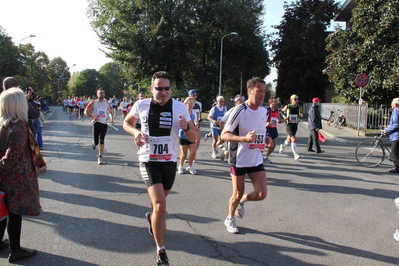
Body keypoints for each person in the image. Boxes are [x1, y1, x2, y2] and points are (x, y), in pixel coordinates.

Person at [123, 71, 196, 266]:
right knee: (160, 205)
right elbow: (127, 123)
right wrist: (136, 132)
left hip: (169, 161)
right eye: (159, 88)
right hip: (148, 159)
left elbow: (194, 138)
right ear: (151, 88)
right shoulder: (141, 105)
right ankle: (161, 251)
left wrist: (186, 128)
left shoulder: (180, 107)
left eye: (167, 88)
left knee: (159, 205)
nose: (163, 92)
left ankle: (151, 217)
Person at [221, 77, 268, 234]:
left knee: (261, 194)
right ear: (250, 91)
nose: (262, 94)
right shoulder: (239, 110)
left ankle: (242, 201)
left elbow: (259, 132)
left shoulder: (264, 110)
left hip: (255, 158)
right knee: (237, 192)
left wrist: (266, 139)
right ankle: (230, 218)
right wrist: (244, 139)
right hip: (239, 158)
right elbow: (224, 135)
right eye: (258, 90)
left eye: (264, 91)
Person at [0, 88, 41, 263]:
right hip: (16, 177)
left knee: (3, 211)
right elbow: (11, 157)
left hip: (6, 177)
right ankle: (15, 250)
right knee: (15, 214)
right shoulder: (19, 126)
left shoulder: (4, 124)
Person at [84, 88, 114, 165]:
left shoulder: (106, 103)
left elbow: (110, 112)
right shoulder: (93, 102)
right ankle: (94, 142)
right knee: (97, 142)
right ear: (97, 94)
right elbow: (85, 112)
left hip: (104, 123)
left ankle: (100, 157)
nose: (102, 94)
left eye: (103, 93)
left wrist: (112, 120)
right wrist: (92, 117)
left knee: (102, 140)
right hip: (96, 123)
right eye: (100, 93)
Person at [219, 94, 246, 161]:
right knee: (231, 155)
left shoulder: (246, 110)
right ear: (235, 102)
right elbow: (221, 122)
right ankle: (225, 151)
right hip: (233, 136)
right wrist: (225, 133)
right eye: (240, 101)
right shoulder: (232, 111)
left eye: (243, 101)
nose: (243, 103)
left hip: (242, 136)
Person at [279, 94, 304, 160]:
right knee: (293, 139)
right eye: (295, 99)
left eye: (297, 99)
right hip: (288, 125)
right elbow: (281, 111)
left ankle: (283, 146)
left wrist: (301, 114)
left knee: (289, 139)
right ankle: (295, 154)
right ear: (291, 100)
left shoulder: (299, 106)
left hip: (295, 125)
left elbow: (301, 112)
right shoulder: (288, 106)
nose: (296, 101)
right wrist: (284, 117)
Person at [177, 97, 198, 175]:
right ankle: (181, 166)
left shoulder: (193, 113)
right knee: (184, 154)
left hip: (191, 135)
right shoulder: (182, 113)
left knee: (193, 153)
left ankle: (190, 165)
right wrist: (193, 126)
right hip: (183, 135)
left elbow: (195, 120)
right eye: (189, 103)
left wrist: (196, 123)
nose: (191, 105)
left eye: (193, 103)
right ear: (185, 104)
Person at [263, 97, 284, 164]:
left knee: (274, 146)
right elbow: (261, 119)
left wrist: (282, 120)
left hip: (274, 129)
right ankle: (258, 145)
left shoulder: (277, 110)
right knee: (270, 145)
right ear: (270, 102)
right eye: (274, 101)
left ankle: (265, 157)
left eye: (276, 101)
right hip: (267, 129)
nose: (276, 102)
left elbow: (278, 119)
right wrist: (266, 123)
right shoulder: (267, 110)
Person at [382, 98, 399, 173]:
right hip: (396, 134)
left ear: (395, 104)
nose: (391, 104)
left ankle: (397, 167)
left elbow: (396, 124)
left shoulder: (396, 111)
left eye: (392, 103)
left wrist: (386, 130)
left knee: (394, 151)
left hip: (397, 135)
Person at [188, 90, 202, 157]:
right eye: (193, 95)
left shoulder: (199, 104)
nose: (195, 96)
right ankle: (190, 154)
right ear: (189, 96)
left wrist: (200, 120)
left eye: (196, 95)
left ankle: (193, 154)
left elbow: (199, 113)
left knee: (198, 140)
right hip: (189, 124)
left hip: (196, 124)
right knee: (189, 141)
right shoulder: (186, 104)